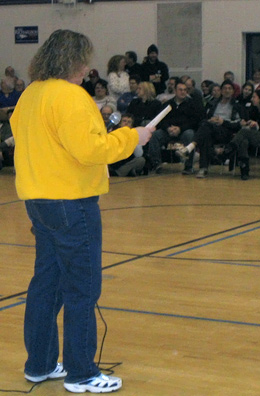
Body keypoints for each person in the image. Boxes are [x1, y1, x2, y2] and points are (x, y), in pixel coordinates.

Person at [10, 29, 153, 394]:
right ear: (74, 61)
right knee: (81, 289)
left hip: (38, 201)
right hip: (72, 203)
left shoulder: (30, 94)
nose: (88, 68)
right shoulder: (71, 96)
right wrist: (131, 138)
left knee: (47, 284)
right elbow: (90, 150)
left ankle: (40, 365)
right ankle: (82, 372)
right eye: (85, 61)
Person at [177, 80, 242, 178]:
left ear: (233, 91)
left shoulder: (237, 106)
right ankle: (203, 169)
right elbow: (204, 118)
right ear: (221, 90)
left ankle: (190, 148)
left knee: (205, 128)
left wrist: (223, 122)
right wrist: (211, 120)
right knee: (206, 132)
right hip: (212, 129)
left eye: (229, 89)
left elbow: (239, 124)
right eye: (225, 88)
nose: (227, 91)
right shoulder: (213, 104)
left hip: (227, 131)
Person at [148, 81, 205, 175]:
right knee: (156, 135)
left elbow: (194, 121)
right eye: (180, 90)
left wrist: (180, 128)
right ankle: (156, 164)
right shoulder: (167, 104)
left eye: (185, 90)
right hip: (169, 131)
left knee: (190, 134)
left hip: (184, 131)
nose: (183, 92)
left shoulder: (192, 105)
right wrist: (168, 128)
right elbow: (161, 119)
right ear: (175, 91)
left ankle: (188, 166)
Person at [223, 89, 260, 180]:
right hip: (256, 134)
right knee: (243, 141)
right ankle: (244, 169)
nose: (252, 99)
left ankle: (228, 151)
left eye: (254, 97)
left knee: (244, 132)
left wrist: (258, 125)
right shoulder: (254, 110)